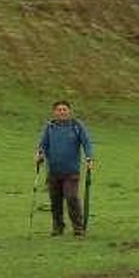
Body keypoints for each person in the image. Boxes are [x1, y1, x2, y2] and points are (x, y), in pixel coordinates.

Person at [35, 101, 94, 237]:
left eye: (64, 110)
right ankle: (57, 227)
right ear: (54, 112)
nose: (62, 112)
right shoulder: (49, 127)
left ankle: (78, 228)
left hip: (71, 172)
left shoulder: (77, 126)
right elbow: (42, 144)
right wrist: (39, 154)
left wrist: (89, 158)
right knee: (55, 201)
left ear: (69, 111)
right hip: (54, 171)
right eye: (59, 110)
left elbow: (87, 142)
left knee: (71, 197)